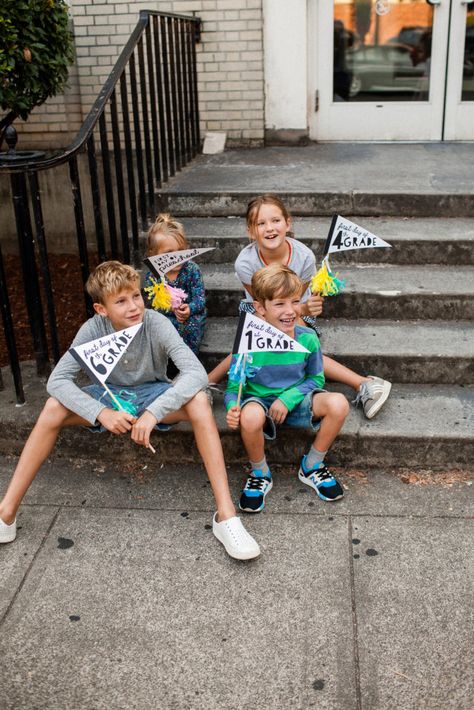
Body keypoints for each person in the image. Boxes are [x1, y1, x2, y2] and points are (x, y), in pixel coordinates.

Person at [0, 261, 259, 561]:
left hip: (153, 394)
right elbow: (57, 381)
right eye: (120, 301)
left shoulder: (155, 323)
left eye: (136, 296)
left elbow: (195, 373)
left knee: (200, 400)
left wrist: (153, 413)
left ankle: (225, 516)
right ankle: (6, 513)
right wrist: (101, 412)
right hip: (111, 400)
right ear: (101, 309)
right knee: (52, 407)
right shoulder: (92, 328)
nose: (133, 306)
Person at [208, 193, 391, 419]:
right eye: (260, 223)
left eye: (275, 220)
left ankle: (364, 383)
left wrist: (308, 308)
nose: (269, 228)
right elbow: (263, 304)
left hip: (294, 309)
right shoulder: (245, 262)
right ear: (250, 231)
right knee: (251, 340)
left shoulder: (303, 256)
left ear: (288, 223)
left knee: (297, 339)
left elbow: (298, 303)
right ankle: (207, 383)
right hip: (260, 307)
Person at [226, 264, 349, 512]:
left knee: (339, 403)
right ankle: (260, 472)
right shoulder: (249, 342)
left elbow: (316, 379)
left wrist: (289, 398)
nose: (290, 310)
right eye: (279, 304)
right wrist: (232, 407)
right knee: (249, 416)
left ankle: (312, 465)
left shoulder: (307, 338)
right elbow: (233, 388)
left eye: (295, 301)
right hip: (258, 402)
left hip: (297, 400)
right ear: (260, 308)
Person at [144, 213, 206, 356]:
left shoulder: (192, 270)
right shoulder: (153, 277)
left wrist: (189, 308)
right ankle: (164, 362)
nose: (177, 258)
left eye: (180, 251)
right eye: (169, 253)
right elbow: (153, 305)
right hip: (166, 316)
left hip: (191, 315)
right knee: (158, 328)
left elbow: (200, 300)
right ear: (154, 255)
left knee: (189, 327)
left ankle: (189, 361)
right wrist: (171, 309)